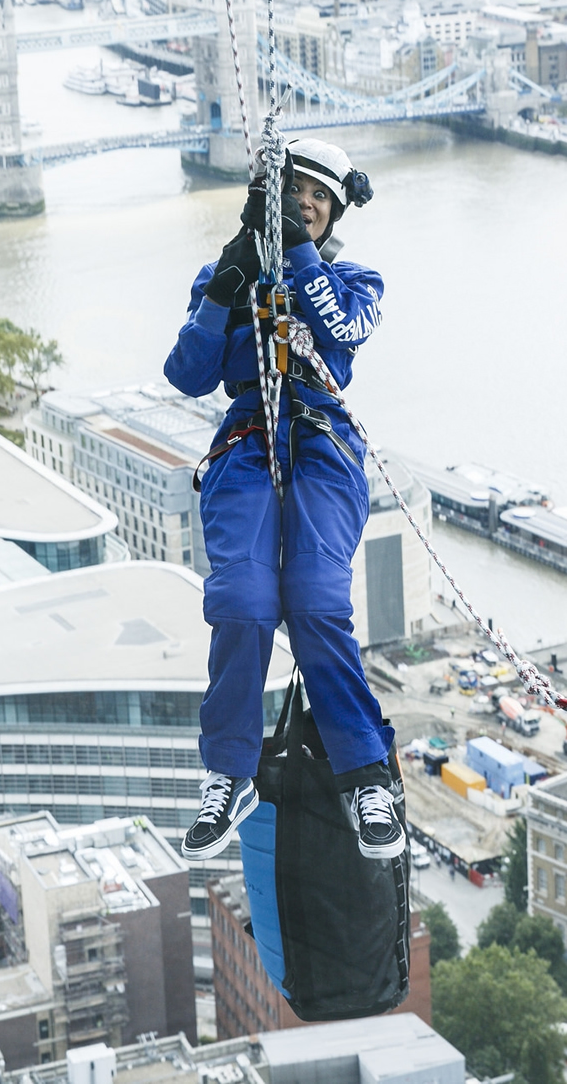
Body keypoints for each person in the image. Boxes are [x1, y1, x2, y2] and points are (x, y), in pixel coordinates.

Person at [165, 138, 404, 864]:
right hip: (243, 443)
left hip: (322, 442)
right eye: (293, 192)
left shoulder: (357, 278)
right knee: (240, 600)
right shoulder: (225, 276)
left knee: (315, 600)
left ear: (333, 215)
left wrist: (298, 257)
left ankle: (365, 777)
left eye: (319, 200)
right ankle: (228, 774)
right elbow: (186, 374)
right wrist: (222, 291)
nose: (305, 205)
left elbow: (341, 331)